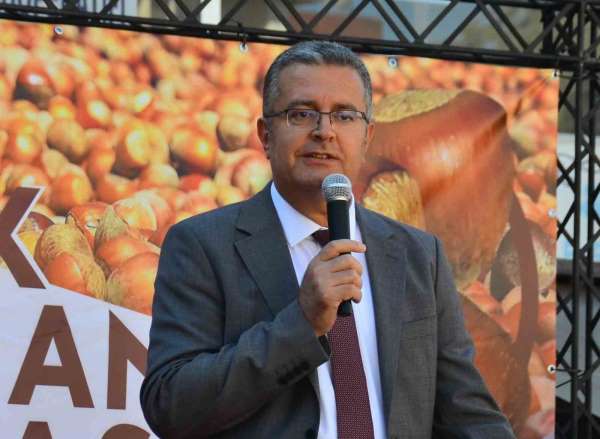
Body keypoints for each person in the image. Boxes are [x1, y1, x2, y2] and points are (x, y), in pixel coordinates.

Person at [140, 41, 516, 439]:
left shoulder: (419, 255)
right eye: (302, 114)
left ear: (367, 136)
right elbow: (170, 404)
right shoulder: (202, 245)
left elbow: (468, 412)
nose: (324, 131)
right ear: (265, 135)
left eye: (344, 115)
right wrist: (301, 324)